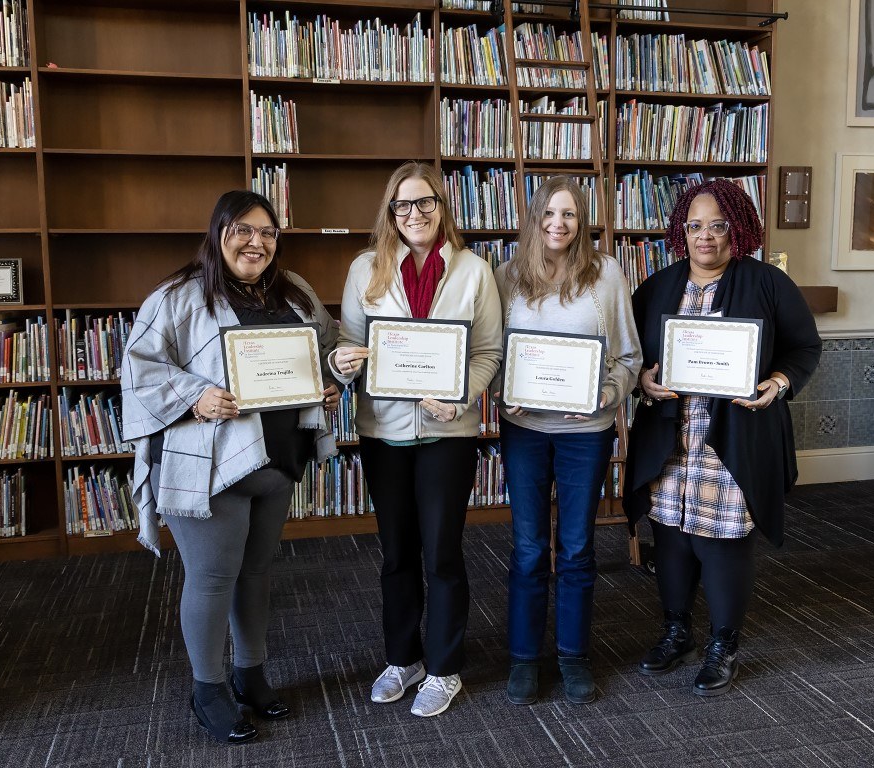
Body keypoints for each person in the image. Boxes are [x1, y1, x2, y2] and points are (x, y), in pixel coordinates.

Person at [121, 190, 343, 744]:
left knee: (256, 573)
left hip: (278, 461)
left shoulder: (295, 294)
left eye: (268, 233)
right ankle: (208, 690)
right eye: (243, 230)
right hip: (212, 467)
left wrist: (331, 384)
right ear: (218, 232)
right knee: (213, 577)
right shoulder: (176, 297)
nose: (256, 242)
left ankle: (251, 675)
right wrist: (196, 396)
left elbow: (329, 349)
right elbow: (139, 369)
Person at [625, 179, 820, 697]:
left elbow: (804, 348)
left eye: (717, 225)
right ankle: (676, 632)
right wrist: (643, 379)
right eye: (694, 226)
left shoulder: (768, 283)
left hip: (734, 438)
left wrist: (778, 384)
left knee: (723, 542)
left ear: (738, 228)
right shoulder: (657, 288)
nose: (705, 236)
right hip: (671, 439)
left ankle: (723, 644)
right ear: (680, 231)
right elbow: (632, 358)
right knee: (670, 537)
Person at [330, 162, 502, 718]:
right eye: (403, 206)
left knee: (443, 553)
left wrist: (464, 397)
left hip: (448, 434)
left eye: (424, 202)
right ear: (390, 213)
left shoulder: (475, 270)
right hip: (384, 433)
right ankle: (403, 659)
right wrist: (341, 363)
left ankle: (445, 667)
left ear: (441, 206)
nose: (414, 214)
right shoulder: (364, 269)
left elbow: (488, 354)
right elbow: (349, 347)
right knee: (397, 553)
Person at [493, 177, 641, 705]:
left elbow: (628, 357)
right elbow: (491, 354)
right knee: (530, 548)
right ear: (534, 219)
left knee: (576, 548)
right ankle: (525, 659)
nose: (559, 224)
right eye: (549, 214)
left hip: (586, 434)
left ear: (583, 222)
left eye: (570, 215)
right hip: (526, 432)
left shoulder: (606, 275)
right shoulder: (507, 276)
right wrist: (499, 393)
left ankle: (575, 656)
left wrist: (606, 394)